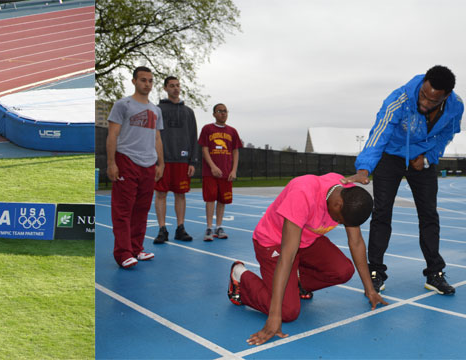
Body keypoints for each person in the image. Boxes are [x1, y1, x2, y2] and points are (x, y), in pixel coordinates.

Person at [342, 65, 463, 295]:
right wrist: (365, 168)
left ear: (445, 97)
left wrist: (427, 157)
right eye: (423, 96)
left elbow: (447, 133)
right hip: (392, 154)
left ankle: (434, 274)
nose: (425, 103)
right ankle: (375, 271)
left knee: (429, 214)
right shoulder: (400, 98)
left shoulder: (456, 106)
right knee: (381, 212)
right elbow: (380, 131)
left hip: (422, 157)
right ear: (422, 85)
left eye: (432, 101)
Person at [227, 173, 388, 346]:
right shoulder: (303, 194)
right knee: (287, 312)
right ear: (338, 203)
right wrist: (274, 316)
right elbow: (287, 257)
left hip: (307, 241)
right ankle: (240, 277)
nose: (339, 224)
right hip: (274, 242)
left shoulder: (349, 196)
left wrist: (370, 290)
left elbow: (356, 242)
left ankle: (297, 284)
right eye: (339, 220)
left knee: (343, 271)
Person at [106, 66, 164, 268]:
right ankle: (123, 253)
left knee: (141, 210)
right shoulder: (123, 105)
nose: (146, 84)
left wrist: (160, 163)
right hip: (127, 161)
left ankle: (136, 248)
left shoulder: (156, 110)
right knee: (123, 210)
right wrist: (112, 163)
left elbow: (157, 137)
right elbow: (112, 134)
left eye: (150, 80)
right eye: (143, 80)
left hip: (148, 164)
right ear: (134, 82)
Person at [153, 76, 199, 244]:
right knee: (161, 194)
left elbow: (194, 136)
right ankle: (162, 229)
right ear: (165, 88)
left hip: (182, 159)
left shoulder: (188, 112)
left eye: (178, 85)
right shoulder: (157, 109)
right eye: (172, 86)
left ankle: (180, 228)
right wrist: (156, 160)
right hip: (163, 160)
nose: (175, 88)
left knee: (180, 194)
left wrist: (192, 161)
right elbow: (152, 135)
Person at [198, 103, 242, 241]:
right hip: (210, 172)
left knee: (222, 200)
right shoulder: (207, 129)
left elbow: (235, 151)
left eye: (225, 111)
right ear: (214, 114)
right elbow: (204, 149)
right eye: (220, 111)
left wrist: (233, 170)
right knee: (210, 199)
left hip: (226, 172)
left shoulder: (232, 131)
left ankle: (219, 226)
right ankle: (209, 227)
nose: (223, 113)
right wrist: (212, 166)